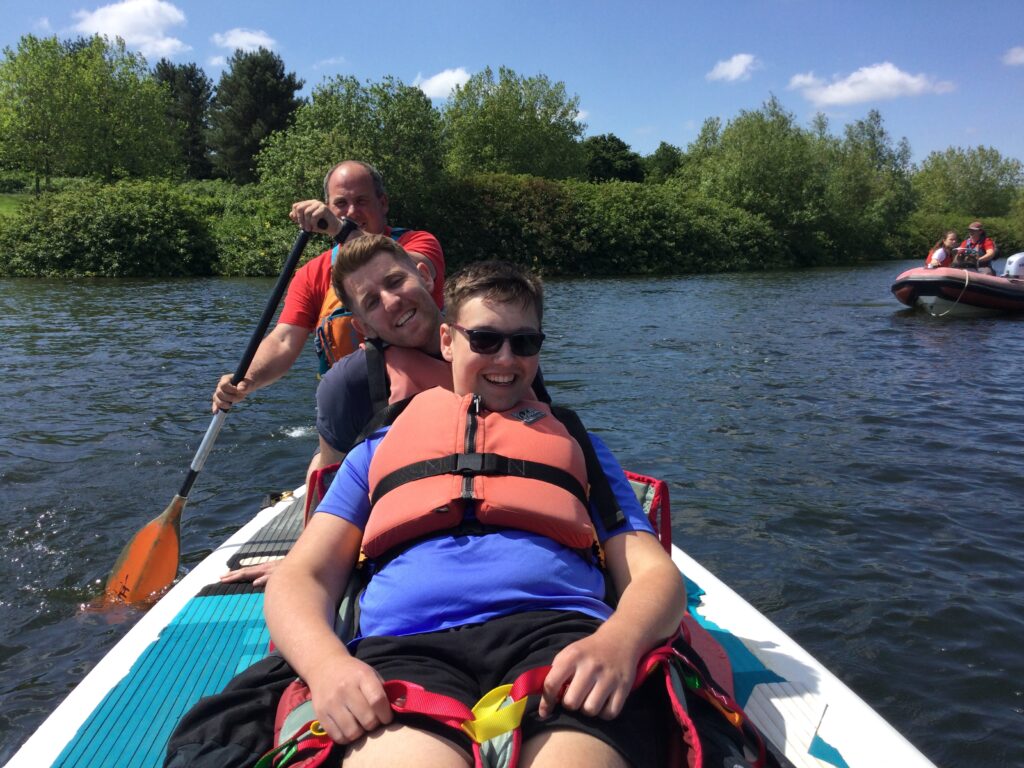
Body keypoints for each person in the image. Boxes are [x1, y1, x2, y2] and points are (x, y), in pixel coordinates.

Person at [264, 260, 687, 767]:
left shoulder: (579, 445)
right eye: (485, 340)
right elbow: (301, 578)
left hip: (559, 642)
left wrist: (619, 642)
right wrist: (328, 666)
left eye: (524, 342)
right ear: (447, 341)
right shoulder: (377, 450)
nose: (506, 358)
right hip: (406, 649)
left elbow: (654, 574)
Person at [211, 161, 445, 413]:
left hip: (431, 396)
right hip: (354, 408)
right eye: (341, 204)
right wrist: (245, 378)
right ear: (330, 208)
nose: (352, 211)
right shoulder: (310, 274)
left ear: (383, 203)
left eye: (362, 201)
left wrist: (341, 229)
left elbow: (409, 262)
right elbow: (283, 341)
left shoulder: (419, 243)